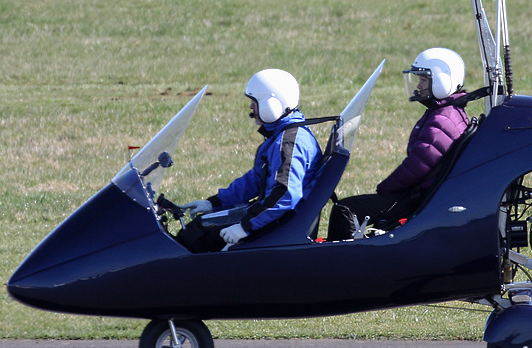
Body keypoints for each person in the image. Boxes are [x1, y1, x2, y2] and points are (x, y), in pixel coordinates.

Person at [327, 47, 470, 240]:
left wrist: (385, 189)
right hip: (422, 194)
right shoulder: (448, 112)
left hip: (416, 199)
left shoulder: (443, 118)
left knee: (344, 210)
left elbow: (417, 165)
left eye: (424, 80)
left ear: (442, 80)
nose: (419, 85)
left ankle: (343, 265)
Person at [178, 68, 322, 252]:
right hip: (274, 218)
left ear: (272, 104)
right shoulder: (283, 135)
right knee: (201, 226)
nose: (251, 107)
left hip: (280, 226)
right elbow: (255, 180)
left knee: (194, 238)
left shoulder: (288, 143)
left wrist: (245, 226)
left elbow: (285, 194)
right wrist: (214, 203)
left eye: (255, 102)